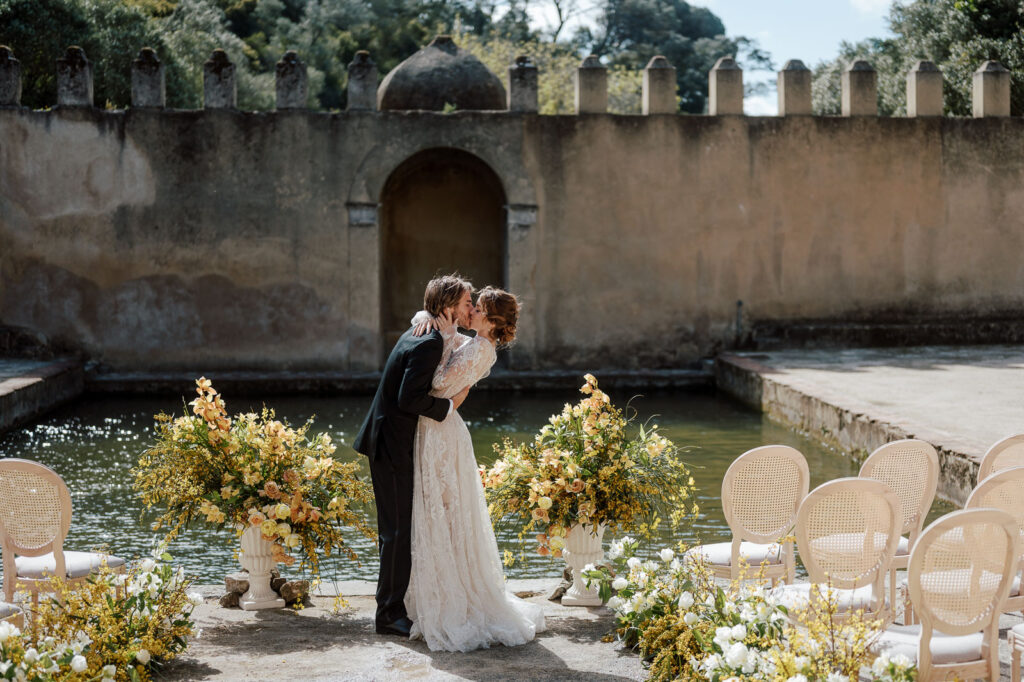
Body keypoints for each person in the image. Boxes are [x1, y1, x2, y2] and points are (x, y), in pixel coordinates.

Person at [405, 286, 546, 652]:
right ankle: (433, 592)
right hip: (434, 428)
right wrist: (427, 320)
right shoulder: (472, 342)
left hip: (441, 434)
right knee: (437, 513)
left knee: (447, 515)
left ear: (493, 320)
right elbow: (444, 364)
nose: (472, 312)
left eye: (478, 309)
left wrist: (446, 336)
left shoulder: (483, 350)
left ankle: (456, 599)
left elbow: (437, 384)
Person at [352, 274, 474, 637]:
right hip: (390, 445)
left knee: (396, 530)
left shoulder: (425, 332)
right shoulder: (428, 342)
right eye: (467, 302)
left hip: (388, 442)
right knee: (397, 532)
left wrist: (422, 312)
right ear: (449, 308)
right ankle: (388, 614)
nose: (471, 307)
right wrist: (450, 404)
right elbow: (409, 399)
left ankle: (392, 606)